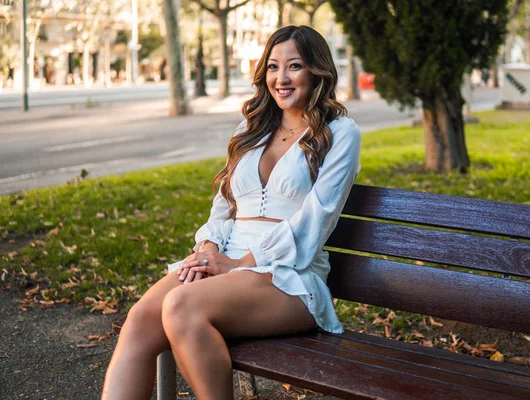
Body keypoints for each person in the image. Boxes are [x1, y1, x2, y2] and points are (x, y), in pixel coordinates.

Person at [101, 25, 361, 400]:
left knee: (180, 306)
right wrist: (208, 249)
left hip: (287, 274)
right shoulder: (252, 128)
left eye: (294, 66)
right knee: (140, 319)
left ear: (317, 71)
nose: (281, 78)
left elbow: (316, 220)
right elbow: (224, 206)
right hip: (225, 261)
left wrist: (238, 264)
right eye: (272, 67)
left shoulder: (340, 132)